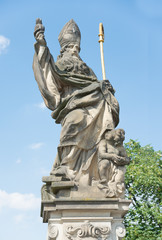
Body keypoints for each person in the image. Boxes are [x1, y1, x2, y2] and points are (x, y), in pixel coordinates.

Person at [33, 19, 119, 184]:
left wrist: (105, 88)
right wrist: (42, 45)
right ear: (64, 49)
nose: (75, 51)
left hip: (94, 104)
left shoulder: (86, 69)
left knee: (100, 130)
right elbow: (48, 69)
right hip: (72, 104)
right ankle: (66, 166)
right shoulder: (61, 65)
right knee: (75, 121)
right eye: (71, 47)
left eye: (77, 48)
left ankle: (92, 173)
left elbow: (94, 85)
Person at [98, 129, 130, 197]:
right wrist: (112, 156)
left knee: (119, 177)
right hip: (106, 163)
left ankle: (116, 191)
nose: (117, 141)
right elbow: (101, 154)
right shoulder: (104, 142)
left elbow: (127, 159)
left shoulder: (119, 147)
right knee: (104, 163)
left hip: (118, 166)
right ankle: (103, 182)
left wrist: (122, 160)